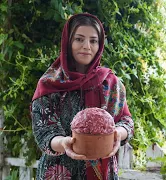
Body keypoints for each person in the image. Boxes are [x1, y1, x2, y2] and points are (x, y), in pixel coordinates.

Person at [30, 13, 134, 180]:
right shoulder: (50, 84)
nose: (87, 46)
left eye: (93, 41)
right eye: (79, 39)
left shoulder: (111, 82)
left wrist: (117, 134)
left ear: (99, 45)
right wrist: (64, 143)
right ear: (68, 41)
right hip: (60, 173)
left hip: (103, 172)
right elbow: (44, 132)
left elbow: (126, 121)